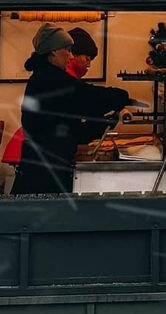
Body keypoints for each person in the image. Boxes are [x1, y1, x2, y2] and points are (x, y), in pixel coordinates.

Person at [13, 24, 129, 195]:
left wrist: (107, 122)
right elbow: (88, 96)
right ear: (53, 51)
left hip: (46, 169)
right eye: (67, 50)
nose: (70, 55)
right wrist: (122, 96)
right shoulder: (50, 79)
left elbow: (72, 130)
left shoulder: (46, 77)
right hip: (42, 175)